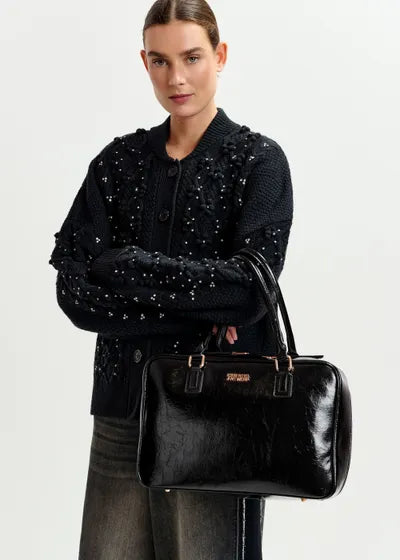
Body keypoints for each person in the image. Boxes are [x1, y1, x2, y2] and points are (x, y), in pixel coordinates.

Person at [49, 1, 294, 558]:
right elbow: (75, 293)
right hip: (121, 417)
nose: (176, 78)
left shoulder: (258, 164)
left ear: (220, 55)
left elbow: (247, 292)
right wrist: (200, 305)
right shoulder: (116, 164)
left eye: (191, 58)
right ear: (144, 62)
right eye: (159, 61)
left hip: (214, 421)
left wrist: (126, 266)